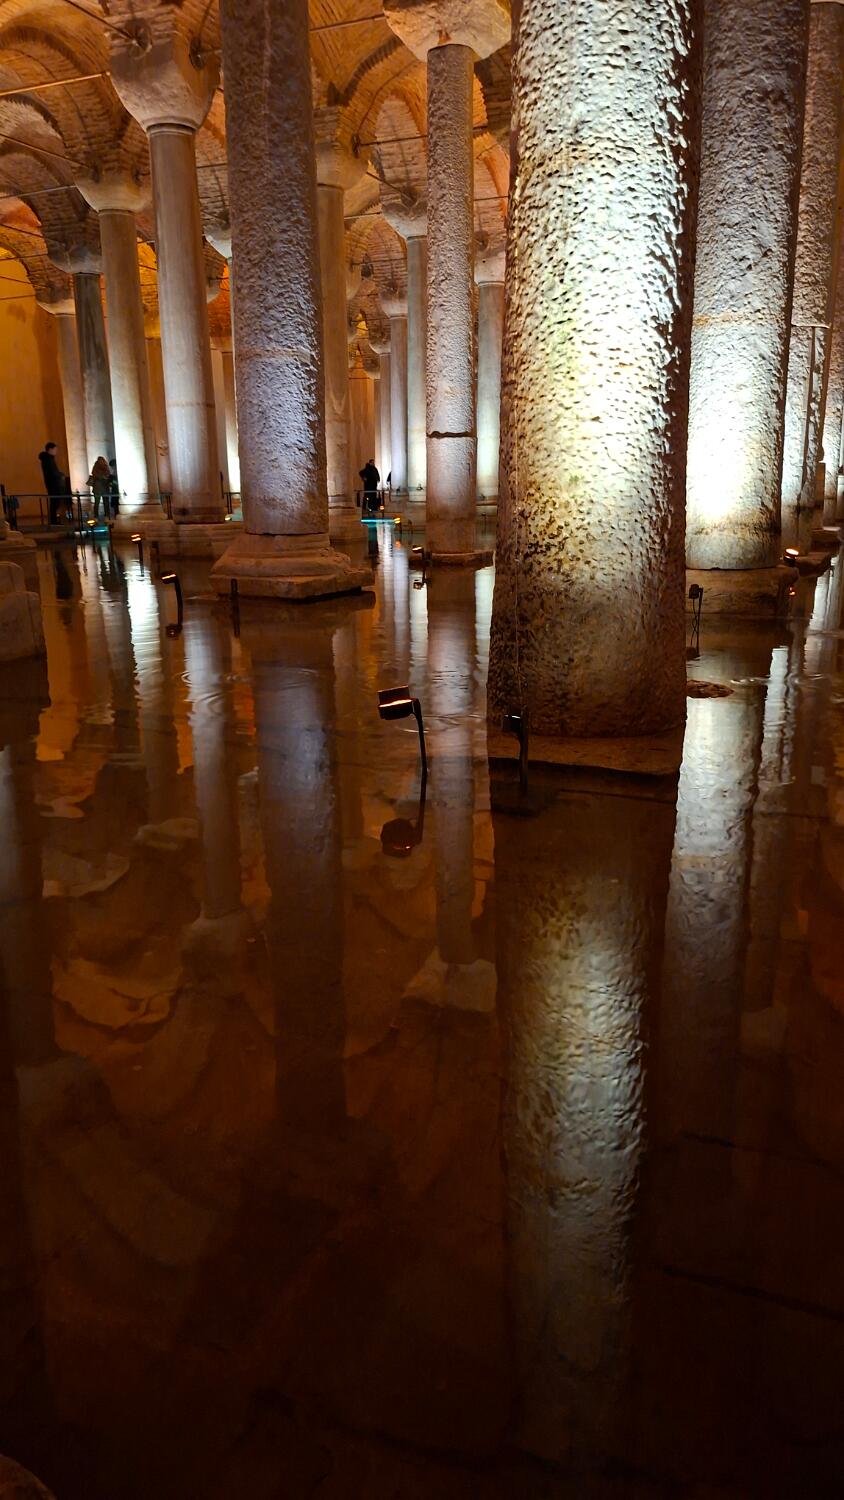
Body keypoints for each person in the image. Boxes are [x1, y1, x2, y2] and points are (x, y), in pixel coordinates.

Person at [38, 441, 66, 525]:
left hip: (53, 483)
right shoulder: (47, 459)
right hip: (53, 484)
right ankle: (53, 521)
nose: (56, 451)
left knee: (55, 502)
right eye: (55, 449)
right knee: (54, 502)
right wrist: (60, 475)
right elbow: (52, 472)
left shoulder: (49, 459)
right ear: (50, 449)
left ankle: (54, 520)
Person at [88, 455, 111, 521]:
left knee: (102, 503)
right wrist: (102, 476)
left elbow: (106, 475)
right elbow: (106, 475)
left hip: (101, 488)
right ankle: (101, 516)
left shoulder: (98, 467)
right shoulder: (100, 467)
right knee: (99, 503)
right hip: (100, 488)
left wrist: (101, 476)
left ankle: (101, 516)